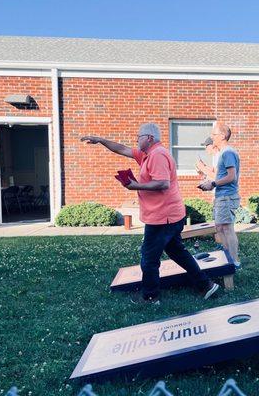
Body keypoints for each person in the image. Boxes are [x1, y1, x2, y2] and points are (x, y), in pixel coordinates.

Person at [80, 123, 219, 304]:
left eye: (139, 137)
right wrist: (100, 141)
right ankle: (206, 285)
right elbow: (122, 149)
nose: (136, 140)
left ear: (150, 138)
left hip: (163, 217)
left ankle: (151, 296)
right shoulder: (146, 154)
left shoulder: (158, 155)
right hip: (168, 215)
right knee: (177, 252)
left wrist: (135, 185)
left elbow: (162, 183)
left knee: (149, 258)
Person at [198, 123, 241, 268]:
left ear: (222, 136)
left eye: (214, 135)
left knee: (227, 228)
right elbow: (221, 175)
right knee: (220, 228)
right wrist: (209, 183)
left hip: (227, 196)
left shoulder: (227, 153)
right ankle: (227, 257)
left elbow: (231, 177)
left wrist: (213, 184)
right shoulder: (224, 153)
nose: (211, 137)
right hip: (222, 195)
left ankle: (234, 261)